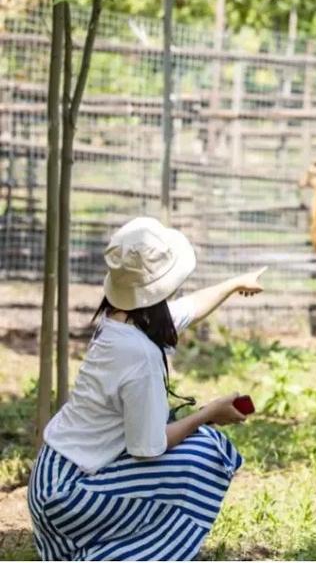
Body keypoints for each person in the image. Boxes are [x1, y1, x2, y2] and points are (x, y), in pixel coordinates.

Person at [27, 216, 266, 561]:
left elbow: (188, 309)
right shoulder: (138, 355)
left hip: (53, 478)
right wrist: (208, 414)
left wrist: (234, 283)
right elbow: (147, 449)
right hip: (67, 497)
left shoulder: (120, 321)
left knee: (199, 443)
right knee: (205, 455)